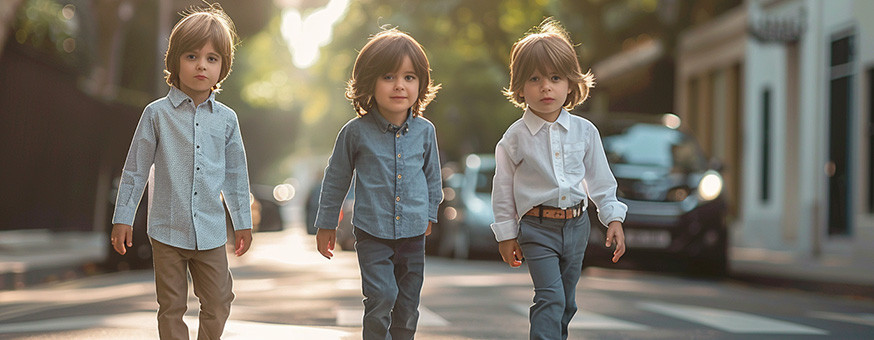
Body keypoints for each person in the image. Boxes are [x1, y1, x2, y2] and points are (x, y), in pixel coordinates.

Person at [109, 4, 252, 339]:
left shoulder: (227, 120)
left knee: (218, 300)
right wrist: (123, 217)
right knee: (171, 307)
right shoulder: (156, 114)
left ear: (223, 67)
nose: (201, 65)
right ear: (175, 61)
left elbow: (236, 174)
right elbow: (136, 168)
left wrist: (242, 222)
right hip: (167, 230)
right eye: (191, 56)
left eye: (212, 58)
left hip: (212, 231)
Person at [490, 18, 628, 340]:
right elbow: (503, 190)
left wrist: (613, 220)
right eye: (534, 79)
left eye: (555, 77)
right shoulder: (515, 138)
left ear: (570, 84)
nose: (545, 87)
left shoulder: (585, 132)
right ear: (520, 87)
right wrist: (506, 235)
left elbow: (601, 182)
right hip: (537, 229)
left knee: (566, 303)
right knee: (550, 297)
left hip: (577, 227)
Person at [314, 27, 443, 340]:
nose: (399, 86)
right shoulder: (355, 132)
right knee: (382, 296)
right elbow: (336, 178)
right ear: (369, 81)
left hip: (414, 232)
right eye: (388, 77)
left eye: (409, 77)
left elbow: (433, 176)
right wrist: (326, 224)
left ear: (421, 84)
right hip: (372, 232)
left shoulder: (426, 132)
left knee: (408, 304)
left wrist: (430, 214)